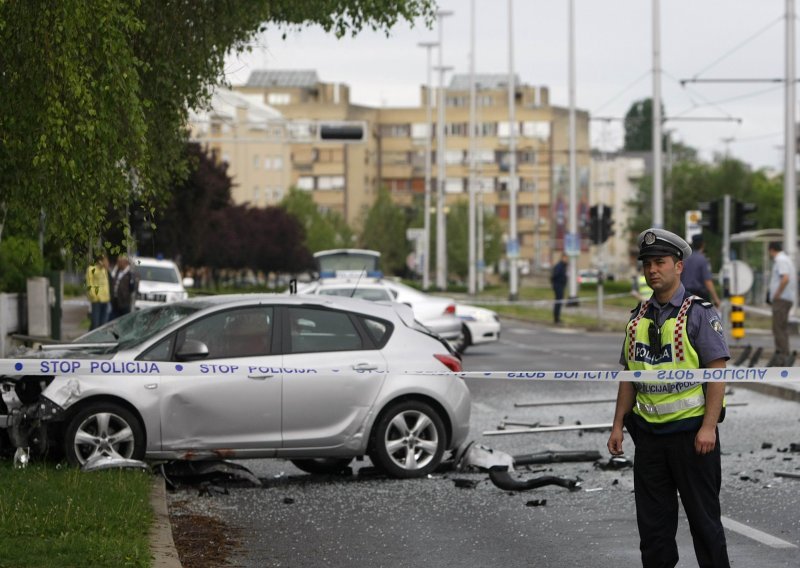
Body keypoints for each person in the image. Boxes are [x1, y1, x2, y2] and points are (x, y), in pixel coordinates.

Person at [607, 228, 730, 568]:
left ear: (679, 266)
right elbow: (629, 377)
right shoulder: (637, 319)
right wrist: (617, 425)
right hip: (649, 439)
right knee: (654, 531)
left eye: (659, 262)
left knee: (705, 524)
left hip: (693, 438)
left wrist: (709, 428)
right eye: (647, 264)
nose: (652, 270)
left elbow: (716, 373)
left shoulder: (699, 313)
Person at [767, 241, 796, 366]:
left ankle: (782, 357)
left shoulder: (780, 260)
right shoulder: (786, 259)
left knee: (778, 328)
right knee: (782, 328)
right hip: (786, 298)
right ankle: (784, 355)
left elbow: (785, 278)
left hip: (782, 299)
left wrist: (777, 293)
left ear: (772, 250)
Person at [681, 234, 721, 308]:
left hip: (685, 295)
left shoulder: (685, 259)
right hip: (699, 296)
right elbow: (708, 281)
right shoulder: (703, 259)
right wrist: (716, 299)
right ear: (703, 244)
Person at [85, 255, 111, 329]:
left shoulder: (104, 270)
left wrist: (108, 296)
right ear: (100, 261)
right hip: (97, 300)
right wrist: (94, 296)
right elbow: (89, 283)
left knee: (103, 324)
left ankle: (101, 339)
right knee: (95, 323)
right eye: (105, 260)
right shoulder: (91, 269)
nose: (107, 262)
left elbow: (107, 284)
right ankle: (92, 339)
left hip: (105, 299)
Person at [109, 255, 137, 320]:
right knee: (113, 320)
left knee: (124, 320)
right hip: (115, 301)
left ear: (124, 262)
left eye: (119, 262)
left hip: (124, 302)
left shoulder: (130, 273)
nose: (117, 263)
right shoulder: (117, 271)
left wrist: (125, 295)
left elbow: (132, 287)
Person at [550, 253, 568, 324]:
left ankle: (558, 318)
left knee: (560, 302)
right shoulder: (559, 266)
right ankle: (556, 319)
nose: (566, 260)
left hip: (561, 286)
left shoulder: (563, 266)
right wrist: (556, 284)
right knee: (558, 302)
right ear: (562, 258)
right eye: (565, 258)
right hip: (558, 286)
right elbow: (554, 276)